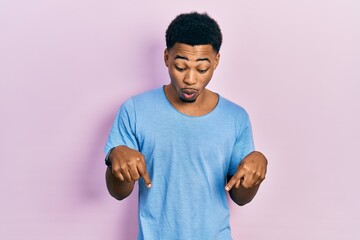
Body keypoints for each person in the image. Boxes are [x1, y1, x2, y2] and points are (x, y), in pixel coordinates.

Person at [104, 12, 268, 240]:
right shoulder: (135, 109)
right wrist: (115, 157)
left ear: (216, 61)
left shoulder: (235, 118)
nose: (190, 79)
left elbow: (240, 197)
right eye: (181, 67)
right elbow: (118, 193)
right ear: (166, 58)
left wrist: (257, 170)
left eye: (202, 69)